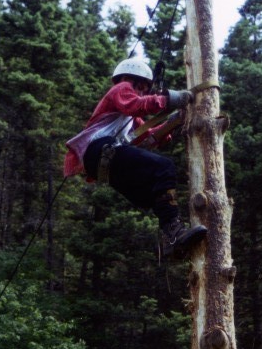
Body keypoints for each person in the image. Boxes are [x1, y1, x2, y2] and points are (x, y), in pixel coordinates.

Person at [64, 57, 207, 259]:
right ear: (128, 80)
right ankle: (174, 231)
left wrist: (173, 122)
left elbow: (146, 137)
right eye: (139, 86)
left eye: (143, 89)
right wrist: (169, 100)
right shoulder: (121, 89)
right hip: (99, 150)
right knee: (164, 167)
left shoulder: (129, 118)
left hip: (103, 160)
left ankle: (172, 240)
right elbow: (136, 104)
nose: (140, 92)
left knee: (150, 195)